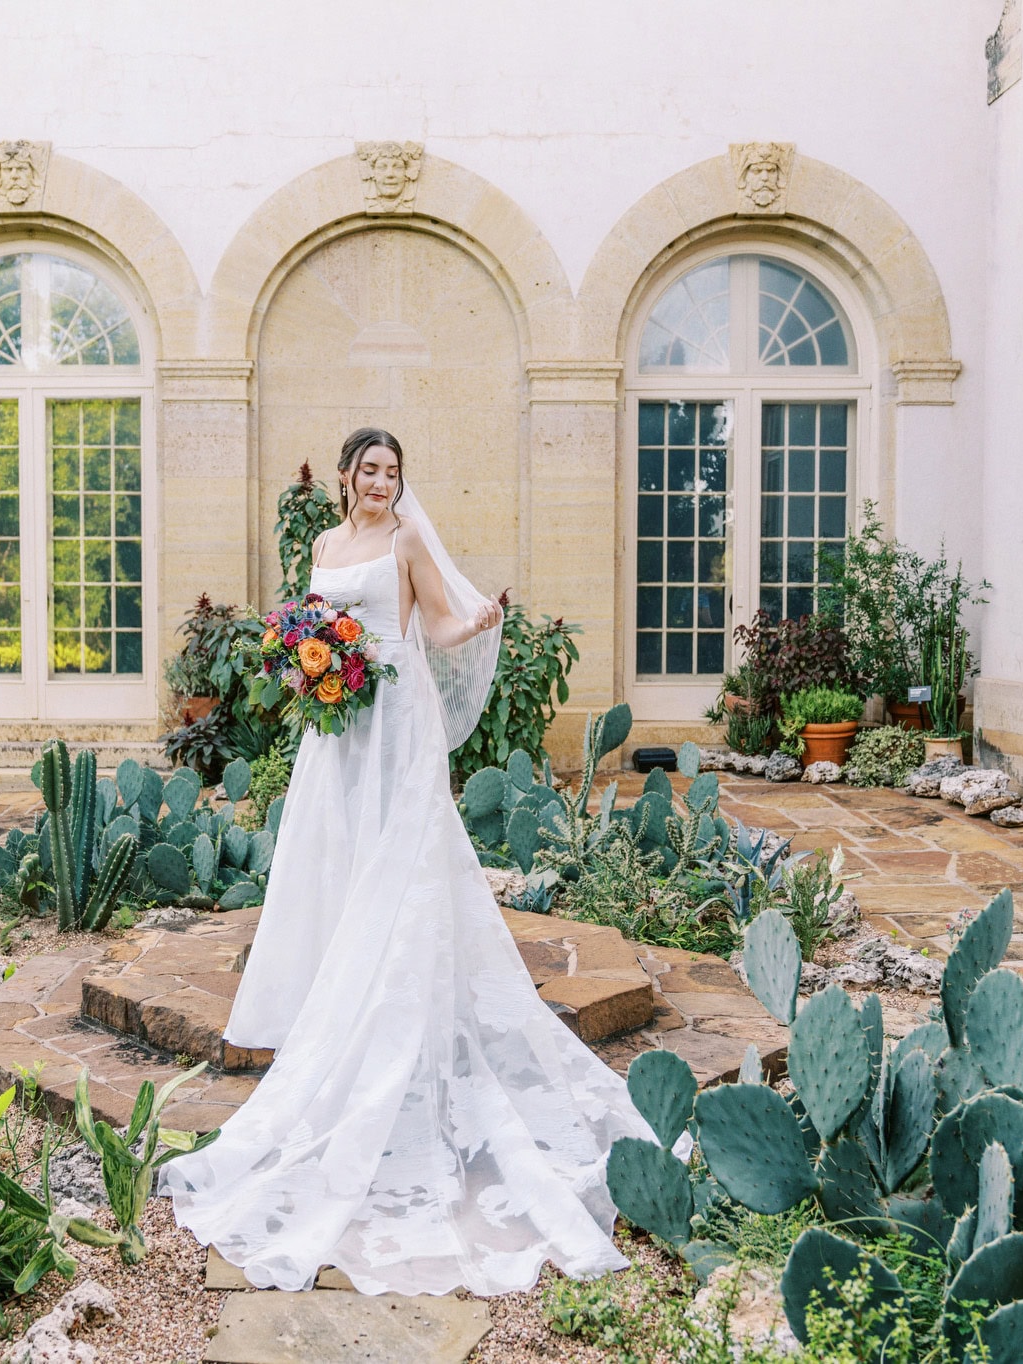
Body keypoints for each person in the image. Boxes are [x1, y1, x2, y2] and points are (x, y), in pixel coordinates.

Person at [160, 427, 671, 1297]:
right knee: (336, 864)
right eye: (369, 471)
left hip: (395, 715)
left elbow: (433, 623)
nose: (381, 484)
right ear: (348, 476)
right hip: (336, 727)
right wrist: (299, 665)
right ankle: (335, 1007)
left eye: (394, 474)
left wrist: (473, 623)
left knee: (400, 872)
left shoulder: (406, 541)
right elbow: (309, 626)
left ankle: (393, 1024)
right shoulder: (325, 544)